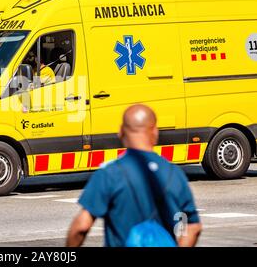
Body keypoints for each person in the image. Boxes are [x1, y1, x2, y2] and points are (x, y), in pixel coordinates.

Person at [66, 104, 202, 247]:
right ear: (154, 132)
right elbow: (193, 227)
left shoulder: (110, 173)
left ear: (121, 132)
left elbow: (81, 227)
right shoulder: (175, 174)